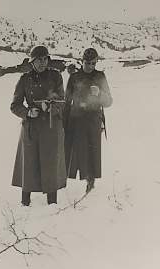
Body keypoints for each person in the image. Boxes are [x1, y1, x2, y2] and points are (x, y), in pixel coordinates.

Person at [10, 46, 67, 206]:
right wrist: (28, 112)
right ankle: (25, 203)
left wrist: (50, 107)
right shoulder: (24, 79)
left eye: (45, 59)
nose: (42, 63)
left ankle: (52, 203)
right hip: (31, 128)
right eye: (38, 60)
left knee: (51, 163)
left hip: (51, 126)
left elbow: (62, 101)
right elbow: (14, 106)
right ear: (32, 62)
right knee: (29, 164)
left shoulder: (56, 76)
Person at [64, 47, 113, 193]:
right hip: (76, 118)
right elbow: (66, 101)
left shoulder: (100, 77)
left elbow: (109, 101)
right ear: (82, 61)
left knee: (93, 152)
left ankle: (90, 182)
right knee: (75, 151)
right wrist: (63, 122)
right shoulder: (74, 77)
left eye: (93, 63)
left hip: (93, 119)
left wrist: (100, 94)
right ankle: (65, 180)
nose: (91, 66)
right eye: (87, 63)